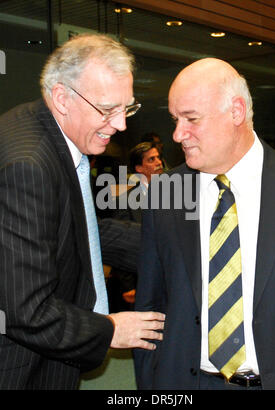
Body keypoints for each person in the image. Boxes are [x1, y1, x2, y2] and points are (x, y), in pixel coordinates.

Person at [0, 33, 165, 390]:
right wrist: (110, 331)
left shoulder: (59, 139)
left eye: (127, 108)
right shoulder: (29, 166)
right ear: (62, 98)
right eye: (107, 110)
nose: (121, 124)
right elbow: (26, 311)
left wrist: (169, 244)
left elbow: (82, 230)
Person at [134, 57, 275, 390]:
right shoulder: (167, 192)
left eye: (191, 118)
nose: (178, 133)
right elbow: (150, 307)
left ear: (236, 111)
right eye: (175, 119)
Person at [108, 142, 163, 310]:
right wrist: (128, 286)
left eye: (159, 157)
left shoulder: (175, 195)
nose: (159, 162)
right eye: (151, 159)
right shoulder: (126, 201)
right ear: (139, 168)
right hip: (140, 282)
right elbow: (120, 246)